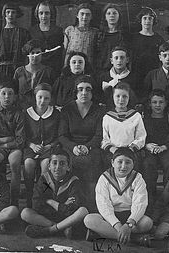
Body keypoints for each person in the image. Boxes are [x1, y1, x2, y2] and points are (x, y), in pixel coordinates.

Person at [84, 147, 153, 245]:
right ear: (112, 162)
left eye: (128, 162)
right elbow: (103, 205)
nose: (123, 166)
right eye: (119, 162)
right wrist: (118, 226)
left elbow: (140, 203)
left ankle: (101, 234)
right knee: (89, 220)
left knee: (147, 223)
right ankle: (136, 240)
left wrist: (128, 224)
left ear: (133, 164)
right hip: (111, 218)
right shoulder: (104, 178)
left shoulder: (138, 178)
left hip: (130, 216)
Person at [58, 75, 104, 210]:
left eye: (88, 89)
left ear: (93, 92)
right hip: (70, 147)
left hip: (92, 147)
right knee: (69, 163)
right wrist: (73, 148)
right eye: (80, 89)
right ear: (75, 91)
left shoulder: (99, 110)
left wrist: (87, 147)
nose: (84, 93)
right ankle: (71, 205)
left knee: (91, 163)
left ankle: (91, 206)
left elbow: (99, 135)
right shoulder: (67, 109)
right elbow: (61, 135)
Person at [21, 148, 89, 239]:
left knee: (83, 211)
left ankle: (50, 230)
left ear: (68, 167)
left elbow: (73, 209)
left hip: (67, 218)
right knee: (25, 213)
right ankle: (61, 228)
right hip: (48, 218)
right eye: (54, 163)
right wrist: (62, 205)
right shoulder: (44, 180)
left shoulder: (73, 181)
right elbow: (36, 204)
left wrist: (50, 202)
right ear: (49, 166)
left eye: (62, 163)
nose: (57, 167)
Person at [24, 83, 60, 208]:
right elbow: (23, 135)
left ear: (50, 99)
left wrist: (50, 146)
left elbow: (59, 136)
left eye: (46, 98)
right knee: (29, 163)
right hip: (31, 148)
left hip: (49, 148)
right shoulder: (27, 113)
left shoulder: (55, 114)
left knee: (46, 165)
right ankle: (30, 194)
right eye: (40, 97)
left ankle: (42, 195)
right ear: (35, 97)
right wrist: (32, 145)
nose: (42, 101)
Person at [142, 89, 169, 211]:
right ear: (149, 104)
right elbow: (140, 135)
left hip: (165, 148)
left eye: (161, 102)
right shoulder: (144, 119)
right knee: (148, 164)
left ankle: (167, 198)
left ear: (166, 103)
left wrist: (164, 147)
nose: (157, 105)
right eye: (154, 102)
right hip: (150, 149)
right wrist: (147, 145)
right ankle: (150, 198)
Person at [101, 82, 146, 168]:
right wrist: (112, 149)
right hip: (113, 152)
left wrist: (131, 149)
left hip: (132, 151)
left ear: (129, 98)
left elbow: (141, 137)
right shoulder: (107, 117)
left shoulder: (136, 116)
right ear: (113, 97)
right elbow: (104, 138)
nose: (121, 99)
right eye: (117, 96)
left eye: (124, 96)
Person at [0, 2, 31, 77]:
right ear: (4, 14)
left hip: (19, 69)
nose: (10, 15)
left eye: (13, 12)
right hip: (1, 70)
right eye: (8, 12)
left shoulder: (24, 33)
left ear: (17, 15)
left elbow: (28, 53)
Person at [14, 39, 54, 109]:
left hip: (41, 108)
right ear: (28, 54)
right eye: (32, 53)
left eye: (38, 53)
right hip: (22, 108)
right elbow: (15, 92)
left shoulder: (48, 71)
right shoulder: (19, 71)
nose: (35, 56)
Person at [130, 7, 165, 85]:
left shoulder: (159, 39)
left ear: (153, 21)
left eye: (150, 18)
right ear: (140, 21)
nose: (147, 21)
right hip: (136, 73)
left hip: (153, 73)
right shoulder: (133, 38)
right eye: (145, 18)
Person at [29, 1, 64, 78]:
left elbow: (60, 51)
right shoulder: (32, 31)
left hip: (54, 67)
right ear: (37, 14)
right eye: (41, 13)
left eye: (47, 13)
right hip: (37, 67)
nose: (44, 16)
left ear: (51, 14)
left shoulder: (58, 30)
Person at [95, 4, 128, 73]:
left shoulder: (125, 35)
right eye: (108, 13)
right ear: (105, 17)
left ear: (119, 16)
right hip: (102, 71)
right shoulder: (99, 35)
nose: (112, 15)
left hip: (119, 71)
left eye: (114, 13)